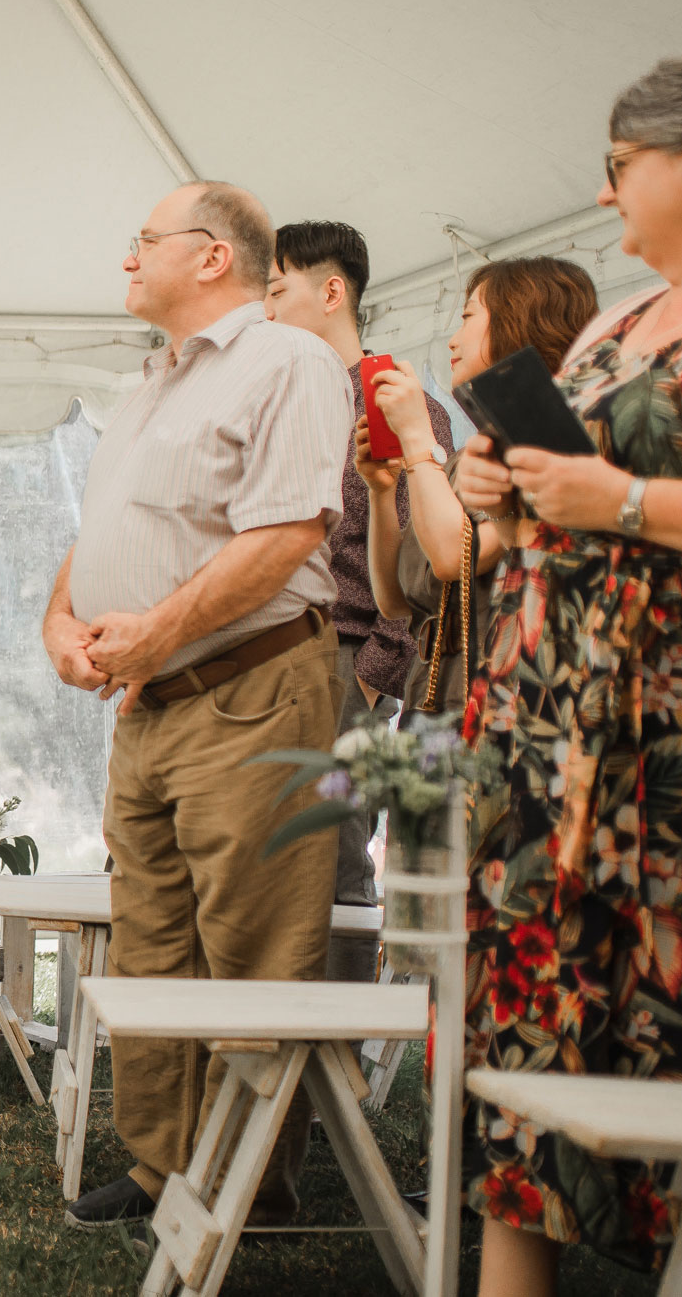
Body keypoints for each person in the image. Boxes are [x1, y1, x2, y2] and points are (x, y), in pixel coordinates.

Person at [43, 181, 353, 1230]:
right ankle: (159, 1164)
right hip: (150, 699)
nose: (126, 259)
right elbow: (96, 533)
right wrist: (63, 624)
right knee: (148, 934)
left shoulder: (290, 364)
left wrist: (155, 631)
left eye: (143, 242)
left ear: (213, 257)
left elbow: (287, 533)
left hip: (252, 688)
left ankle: (247, 1178)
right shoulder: (143, 383)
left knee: (250, 937)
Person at [452, 53, 682, 1295]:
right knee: (527, 1007)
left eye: (617, 168)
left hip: (669, 731)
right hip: (546, 714)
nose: (605, 199)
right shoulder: (611, 325)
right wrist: (495, 490)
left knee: (663, 1012)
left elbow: (622, 500)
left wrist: (627, 498)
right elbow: (541, 515)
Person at [265, 220, 454, 984]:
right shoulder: (275, 396)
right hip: (272, 656)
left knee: (338, 851)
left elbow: (424, 560)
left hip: (347, 659)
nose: (266, 310)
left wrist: (375, 671)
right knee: (273, 851)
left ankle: (333, 1069)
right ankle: (277, 1049)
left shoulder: (395, 402)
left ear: (331, 290)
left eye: (277, 290)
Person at [360, 258, 598, 719]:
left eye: (468, 316)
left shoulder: (551, 451)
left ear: (519, 320)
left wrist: (414, 436)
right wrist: (380, 491)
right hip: (430, 696)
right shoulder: (457, 463)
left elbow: (455, 557)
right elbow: (393, 602)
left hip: (503, 696)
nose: (453, 338)